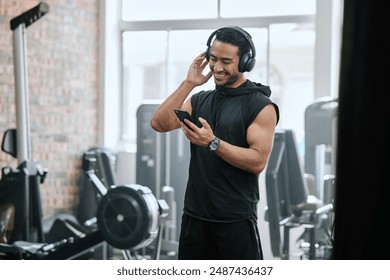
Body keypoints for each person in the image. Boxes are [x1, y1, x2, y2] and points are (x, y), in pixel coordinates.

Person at [150, 26, 279, 260]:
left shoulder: (260, 106)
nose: (217, 67)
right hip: (195, 217)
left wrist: (213, 143)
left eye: (226, 61)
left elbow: (258, 161)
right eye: (213, 59)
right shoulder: (200, 99)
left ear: (245, 62)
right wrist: (189, 83)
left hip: (235, 221)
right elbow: (159, 123)